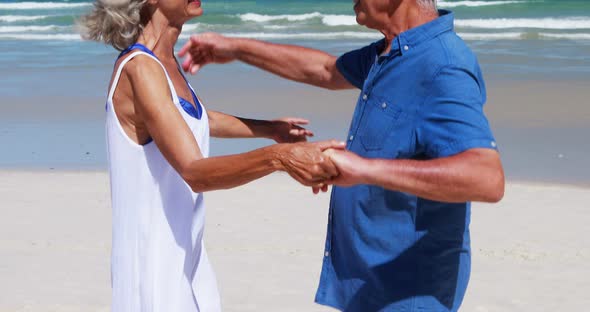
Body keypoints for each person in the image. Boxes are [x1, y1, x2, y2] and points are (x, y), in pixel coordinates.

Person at [179, 0, 505, 311]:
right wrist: (235, 48)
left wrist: (364, 169)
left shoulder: (443, 64)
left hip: (409, 294)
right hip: (370, 286)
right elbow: (324, 70)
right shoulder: (393, 50)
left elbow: (485, 177)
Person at [78, 0, 344, 311]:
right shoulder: (141, 68)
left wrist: (269, 128)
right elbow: (195, 172)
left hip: (187, 258)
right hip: (153, 267)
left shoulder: (164, 64)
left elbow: (195, 118)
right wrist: (280, 157)